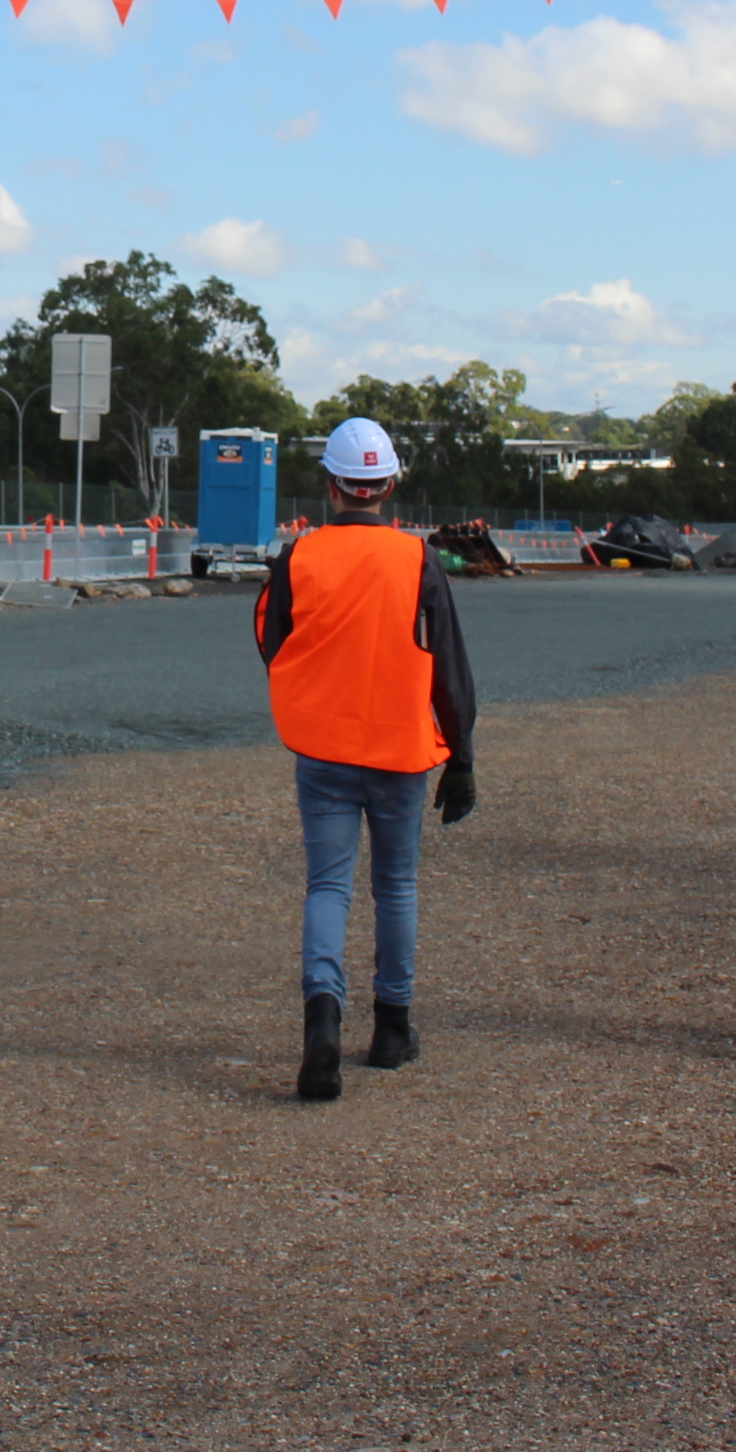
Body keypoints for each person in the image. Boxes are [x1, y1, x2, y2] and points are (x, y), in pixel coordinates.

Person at [253, 416, 477, 1102]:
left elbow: (271, 638)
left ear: (332, 486)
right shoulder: (418, 559)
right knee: (396, 885)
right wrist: (461, 754)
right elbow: (449, 663)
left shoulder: (300, 556)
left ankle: (322, 1020)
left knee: (328, 886)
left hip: (322, 746)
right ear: (387, 485)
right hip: (401, 748)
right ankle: (391, 1029)